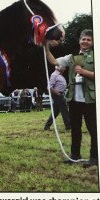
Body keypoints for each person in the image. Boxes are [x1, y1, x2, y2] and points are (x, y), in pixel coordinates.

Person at [45, 29, 97, 167]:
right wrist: (46, 47)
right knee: (75, 129)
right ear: (79, 41)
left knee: (93, 129)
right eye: (83, 39)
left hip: (91, 100)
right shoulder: (71, 57)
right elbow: (54, 61)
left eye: (88, 39)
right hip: (74, 100)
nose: (85, 41)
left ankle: (94, 158)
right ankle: (75, 155)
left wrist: (84, 72)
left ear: (92, 42)